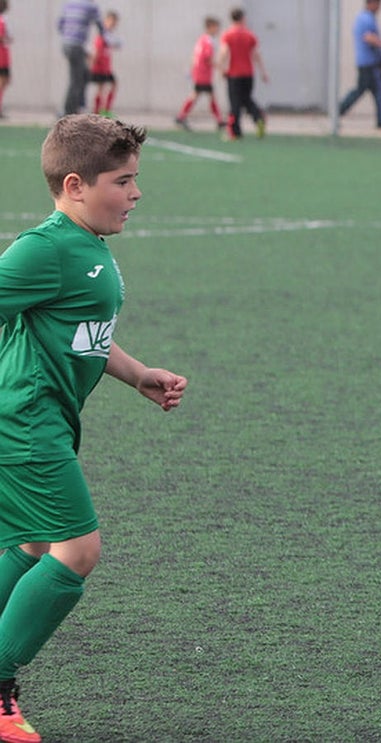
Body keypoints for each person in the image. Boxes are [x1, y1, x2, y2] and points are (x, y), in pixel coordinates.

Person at [0, 113, 188, 743]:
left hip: (40, 418)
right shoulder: (46, 248)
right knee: (77, 551)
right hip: (24, 422)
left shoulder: (87, 246)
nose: (136, 194)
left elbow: (85, 335)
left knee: (31, 545)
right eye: (124, 181)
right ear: (76, 184)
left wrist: (138, 375)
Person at [218, 7, 268, 141]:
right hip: (248, 74)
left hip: (234, 74)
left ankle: (234, 132)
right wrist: (263, 72)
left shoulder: (228, 34)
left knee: (235, 102)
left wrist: (221, 68)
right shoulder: (249, 35)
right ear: (242, 18)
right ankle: (258, 117)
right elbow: (256, 54)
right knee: (246, 99)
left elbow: (223, 52)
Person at [338, 0, 381, 130]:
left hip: (367, 62)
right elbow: (368, 37)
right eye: (377, 4)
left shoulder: (366, 18)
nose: (379, 7)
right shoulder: (366, 18)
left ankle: (340, 109)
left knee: (368, 90)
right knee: (377, 91)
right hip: (370, 63)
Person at [175, 16, 226, 132]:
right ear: (211, 27)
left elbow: (196, 56)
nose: (218, 30)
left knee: (201, 95)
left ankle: (182, 116)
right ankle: (181, 117)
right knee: (204, 95)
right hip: (203, 74)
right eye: (216, 27)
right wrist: (220, 68)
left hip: (199, 72)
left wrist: (192, 70)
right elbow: (207, 58)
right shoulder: (208, 41)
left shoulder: (202, 39)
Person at [57, 0, 104, 116]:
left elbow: (60, 24)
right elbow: (101, 27)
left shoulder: (69, 4)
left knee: (84, 75)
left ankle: (78, 105)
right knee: (76, 79)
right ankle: (68, 111)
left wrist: (69, 34)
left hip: (67, 44)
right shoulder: (91, 6)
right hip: (76, 45)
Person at [88, 10, 120, 117]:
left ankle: (105, 109)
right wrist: (92, 64)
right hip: (100, 67)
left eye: (114, 23)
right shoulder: (102, 36)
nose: (113, 25)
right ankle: (97, 111)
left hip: (107, 68)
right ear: (105, 21)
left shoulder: (109, 37)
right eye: (111, 22)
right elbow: (96, 51)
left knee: (113, 85)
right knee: (101, 89)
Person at [0, 0, 10, 119]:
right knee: (2, 82)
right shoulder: (1, 20)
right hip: (2, 57)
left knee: (4, 82)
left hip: (4, 56)